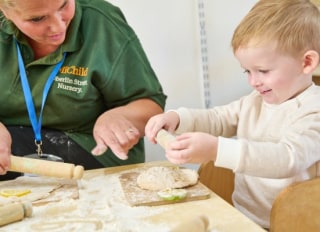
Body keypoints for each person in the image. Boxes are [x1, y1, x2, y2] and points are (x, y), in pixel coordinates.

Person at [145, 0, 320, 229]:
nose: (253, 81)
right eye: (247, 71)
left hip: (295, 223)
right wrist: (178, 118)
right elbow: (219, 118)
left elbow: (288, 158)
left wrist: (217, 149)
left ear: (307, 62)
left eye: (263, 71)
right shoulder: (255, 101)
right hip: (245, 217)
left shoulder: (314, 109)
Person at [0, 0, 166, 180]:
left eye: (64, 5)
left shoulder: (101, 23)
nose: (57, 26)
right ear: (4, 12)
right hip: (10, 143)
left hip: (88, 146)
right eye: (37, 18)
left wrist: (120, 117)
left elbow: (151, 107)